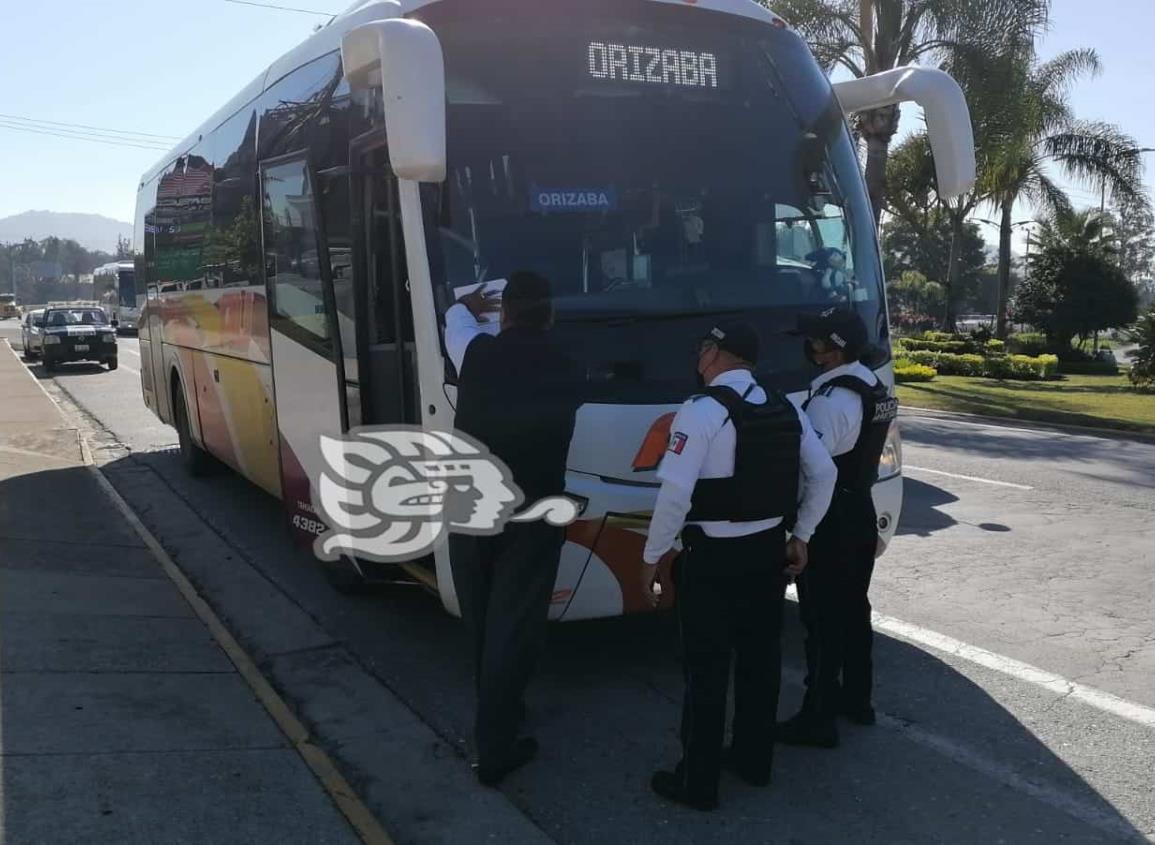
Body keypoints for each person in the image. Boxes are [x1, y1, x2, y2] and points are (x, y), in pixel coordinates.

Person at [642, 320, 837, 811]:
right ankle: (754, 763)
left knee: (706, 671)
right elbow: (825, 472)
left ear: (713, 354)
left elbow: (676, 495)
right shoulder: (785, 405)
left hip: (712, 558)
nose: (698, 358)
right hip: (768, 553)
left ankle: (698, 784)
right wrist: (803, 536)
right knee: (760, 663)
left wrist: (654, 559)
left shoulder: (701, 410)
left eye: (702, 349)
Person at [443, 271, 581, 787]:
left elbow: (454, 320)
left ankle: (497, 714)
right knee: (513, 626)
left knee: (481, 619)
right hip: (533, 513)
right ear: (550, 315)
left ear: (505, 314)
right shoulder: (569, 367)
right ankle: (495, 745)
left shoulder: (475, 353)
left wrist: (470, 303)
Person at [777, 307, 898, 748]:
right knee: (852, 611)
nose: (808, 348)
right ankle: (856, 700)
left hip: (830, 517)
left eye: (814, 341)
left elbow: (815, 470)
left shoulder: (833, 402)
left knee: (822, 618)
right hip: (858, 510)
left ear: (831, 349)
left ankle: (818, 717)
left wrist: (800, 531)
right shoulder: (870, 385)